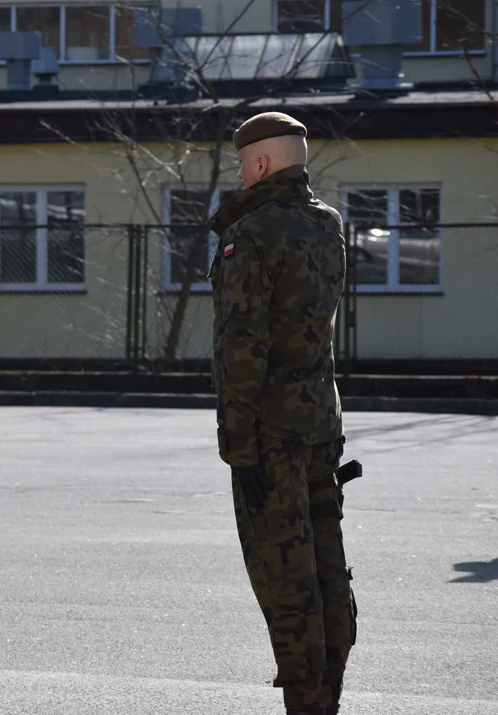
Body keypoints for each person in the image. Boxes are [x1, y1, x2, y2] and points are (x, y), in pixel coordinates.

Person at [208, 113, 357, 715]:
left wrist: (236, 447)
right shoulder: (327, 224)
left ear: (262, 164)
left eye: (244, 163)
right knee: (327, 568)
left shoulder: (254, 233)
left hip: (269, 432)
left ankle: (307, 703)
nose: (240, 174)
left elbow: (242, 348)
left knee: (285, 577)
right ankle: (328, 695)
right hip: (321, 420)